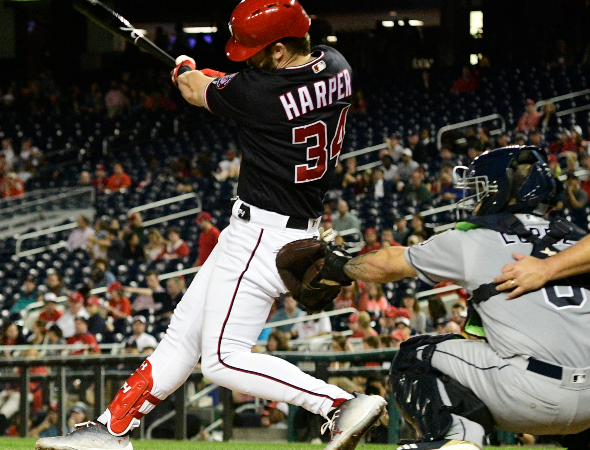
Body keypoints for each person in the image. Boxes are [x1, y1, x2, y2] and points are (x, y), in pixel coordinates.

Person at [35, 2, 386, 449]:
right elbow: (237, 83)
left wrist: (184, 66)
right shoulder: (336, 65)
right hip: (288, 227)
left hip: (262, 235)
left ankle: (338, 405)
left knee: (221, 361)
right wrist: (207, 76)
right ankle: (111, 432)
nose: (248, 57)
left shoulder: (256, 93)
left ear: (279, 51)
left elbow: (194, 87)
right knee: (182, 336)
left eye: (256, 50)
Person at [325, 146, 590, 450]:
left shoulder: (473, 238)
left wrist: (342, 266)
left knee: (415, 355)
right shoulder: (577, 239)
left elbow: (389, 263)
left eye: (481, 188)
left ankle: (459, 438)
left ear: (501, 189)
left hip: (531, 396)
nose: (476, 198)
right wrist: (550, 266)